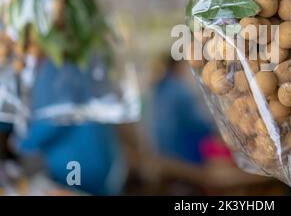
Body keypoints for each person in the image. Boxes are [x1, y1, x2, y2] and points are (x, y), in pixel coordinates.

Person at [14, 59, 127, 195]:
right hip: (99, 156)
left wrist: (23, 142)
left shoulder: (53, 65)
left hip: (78, 162)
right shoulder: (75, 61)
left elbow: (53, 119)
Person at [148, 58, 213, 164]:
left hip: (163, 154)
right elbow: (199, 124)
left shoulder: (160, 89)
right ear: (178, 67)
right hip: (184, 155)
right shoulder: (179, 91)